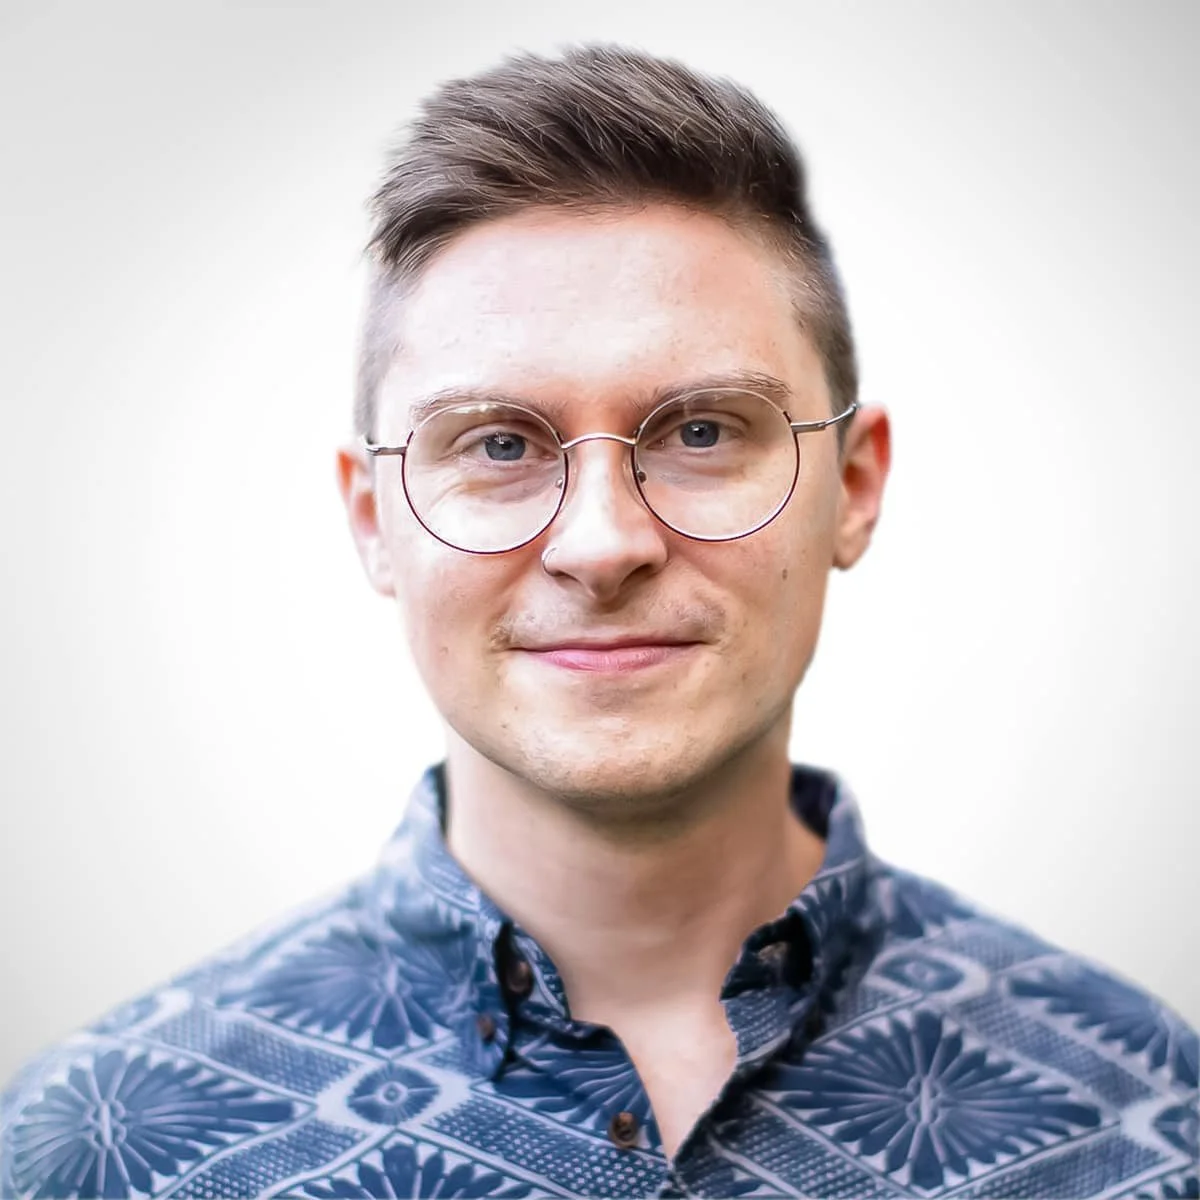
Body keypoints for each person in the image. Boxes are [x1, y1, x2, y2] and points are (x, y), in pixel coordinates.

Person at [1, 43, 1195, 1200]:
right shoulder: (86, 1155)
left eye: (704, 432)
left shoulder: (1151, 1124)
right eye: (501, 444)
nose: (601, 544)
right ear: (374, 519)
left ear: (857, 486)